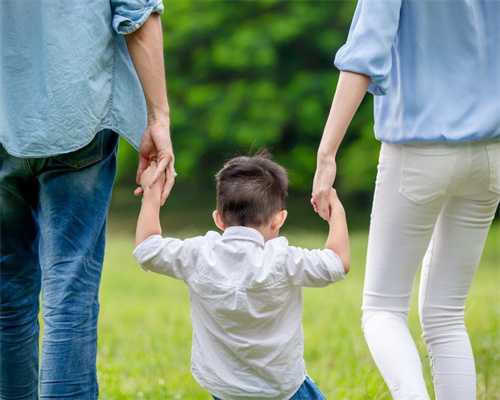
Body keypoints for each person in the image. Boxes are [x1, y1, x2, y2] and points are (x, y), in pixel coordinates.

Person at [311, 1, 500, 399]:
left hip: (417, 150)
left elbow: (363, 56)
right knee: (447, 315)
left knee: (383, 310)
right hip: (491, 154)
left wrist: (327, 155)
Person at [0, 1, 174, 398]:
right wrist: (158, 117)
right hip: (78, 111)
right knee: (70, 288)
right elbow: (138, 12)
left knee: (6, 292)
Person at [133, 154, 350, 400]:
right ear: (279, 219)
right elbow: (337, 262)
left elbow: (146, 249)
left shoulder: (199, 255)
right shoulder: (284, 260)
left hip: (225, 390)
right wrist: (336, 211)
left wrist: (152, 193)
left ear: (218, 219)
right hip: (283, 390)